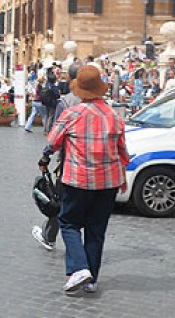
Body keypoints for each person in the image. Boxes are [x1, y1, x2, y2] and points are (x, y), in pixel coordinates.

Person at [40, 65, 129, 295]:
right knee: (96, 230)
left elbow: (53, 141)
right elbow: (122, 151)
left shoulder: (73, 114)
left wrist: (45, 157)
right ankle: (92, 280)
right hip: (108, 181)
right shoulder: (113, 116)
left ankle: (79, 269)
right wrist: (123, 177)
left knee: (68, 223)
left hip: (79, 179)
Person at [32, 63, 82, 252]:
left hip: (70, 161)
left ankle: (49, 237)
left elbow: (56, 134)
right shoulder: (101, 104)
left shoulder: (67, 103)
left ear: (69, 79)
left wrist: (45, 157)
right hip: (96, 167)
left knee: (60, 201)